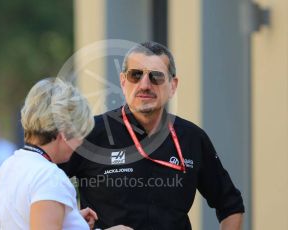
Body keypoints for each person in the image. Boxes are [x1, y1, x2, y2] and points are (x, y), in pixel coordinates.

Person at [60, 41, 245, 230]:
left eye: (156, 76)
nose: (145, 85)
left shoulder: (192, 138)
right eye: (136, 75)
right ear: (123, 82)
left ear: (173, 86)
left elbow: (230, 205)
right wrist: (72, 222)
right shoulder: (90, 132)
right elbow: (40, 189)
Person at [0, 78, 132, 230]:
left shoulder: (6, 167)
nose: (81, 143)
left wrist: (71, 221)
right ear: (65, 133)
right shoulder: (50, 176)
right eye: (81, 133)